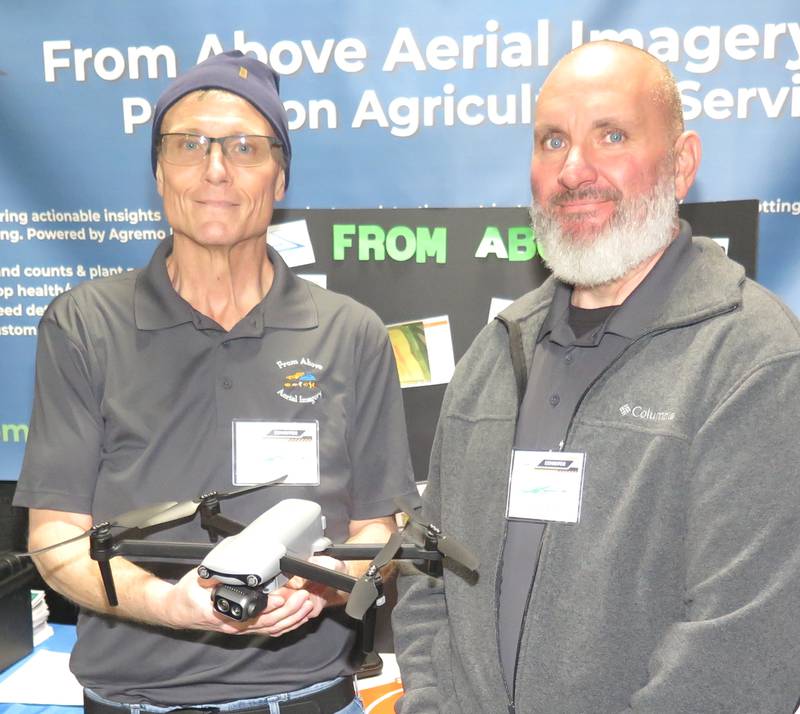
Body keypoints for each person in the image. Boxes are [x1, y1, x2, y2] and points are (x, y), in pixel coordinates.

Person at [392, 40, 800, 713]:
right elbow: (428, 568)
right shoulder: (494, 354)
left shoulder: (754, 361)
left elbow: (744, 648)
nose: (573, 169)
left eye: (611, 135)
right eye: (552, 141)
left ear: (682, 164)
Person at [13, 50, 418, 713]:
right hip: (131, 702)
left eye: (245, 147)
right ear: (158, 170)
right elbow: (55, 537)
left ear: (280, 176)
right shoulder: (83, 326)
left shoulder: (351, 333)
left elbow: (378, 528)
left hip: (311, 699)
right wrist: (170, 605)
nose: (216, 170)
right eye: (188, 144)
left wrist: (328, 581)